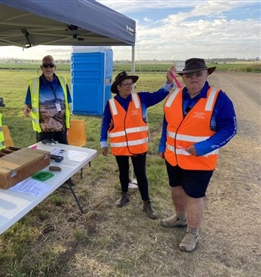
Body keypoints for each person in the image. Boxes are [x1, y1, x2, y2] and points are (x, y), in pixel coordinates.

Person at [158, 58, 237, 252]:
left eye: (198, 74)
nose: (194, 78)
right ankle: (179, 218)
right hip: (173, 157)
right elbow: (167, 123)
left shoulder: (218, 98)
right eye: (189, 75)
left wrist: (204, 146)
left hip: (199, 160)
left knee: (194, 196)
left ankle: (192, 232)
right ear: (183, 77)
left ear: (206, 75)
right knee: (176, 188)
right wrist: (162, 145)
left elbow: (230, 128)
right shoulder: (174, 96)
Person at [100, 67, 175, 219]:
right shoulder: (111, 104)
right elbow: (105, 122)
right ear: (118, 87)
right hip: (119, 146)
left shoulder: (141, 98)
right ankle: (124, 195)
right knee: (123, 172)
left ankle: (147, 203)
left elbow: (159, 94)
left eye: (131, 83)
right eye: (125, 84)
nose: (129, 86)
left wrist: (168, 82)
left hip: (138, 146)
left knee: (141, 174)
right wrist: (103, 142)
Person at [23, 55, 72, 144]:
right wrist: (27, 109)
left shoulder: (63, 81)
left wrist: (67, 123)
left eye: (51, 65)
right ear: (41, 67)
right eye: (45, 65)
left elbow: (67, 103)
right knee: (44, 155)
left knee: (63, 154)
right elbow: (28, 103)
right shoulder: (34, 83)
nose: (48, 68)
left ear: (55, 67)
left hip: (61, 127)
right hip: (43, 128)